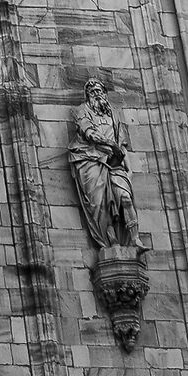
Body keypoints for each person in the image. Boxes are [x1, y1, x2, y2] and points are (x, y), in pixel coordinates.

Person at [68, 78, 138, 249]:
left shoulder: (114, 114)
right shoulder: (81, 111)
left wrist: (127, 167)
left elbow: (121, 143)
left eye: (99, 91)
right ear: (87, 96)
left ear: (105, 93)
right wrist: (111, 145)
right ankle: (109, 238)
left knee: (125, 198)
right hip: (89, 159)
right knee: (98, 203)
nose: (97, 94)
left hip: (114, 163)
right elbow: (90, 133)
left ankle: (133, 239)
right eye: (92, 92)